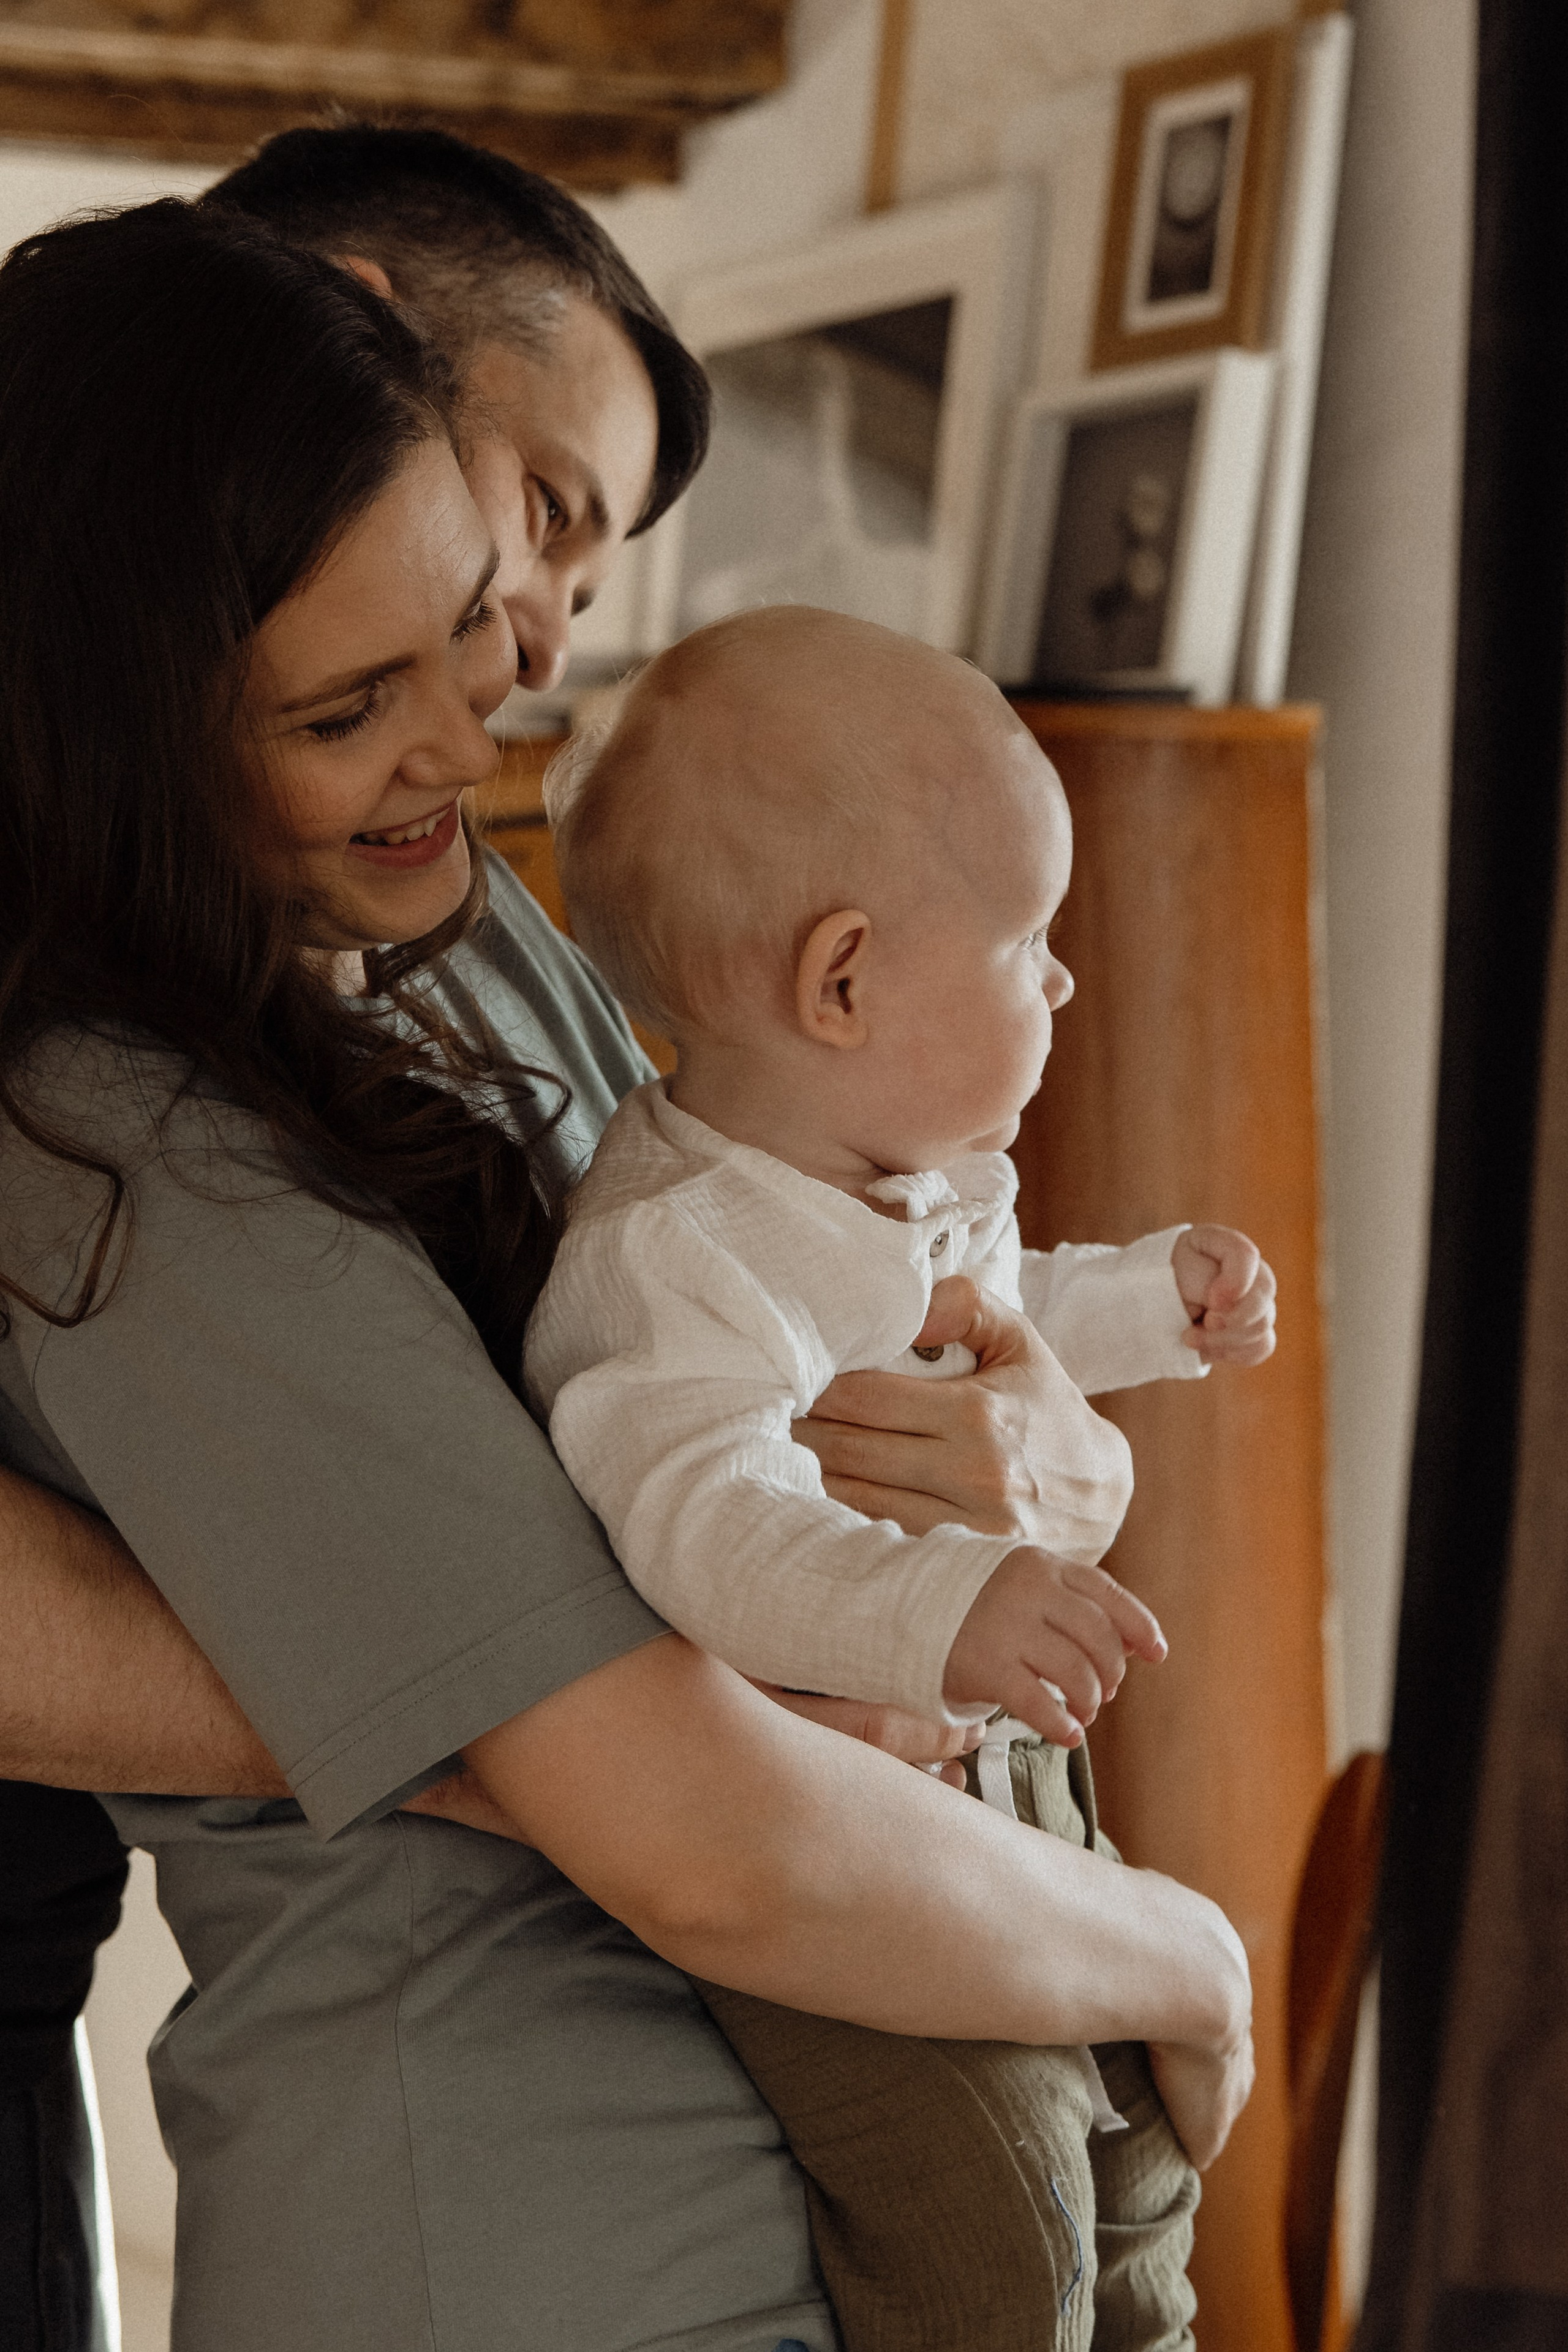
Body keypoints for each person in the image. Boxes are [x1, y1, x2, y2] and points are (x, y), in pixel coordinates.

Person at [0, 198, 1253, 2351]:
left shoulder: (453, 932)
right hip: (529, 2228)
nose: (479, 733)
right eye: (348, 706)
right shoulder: (125, 1149)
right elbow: (687, 1822)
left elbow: (823, 1316)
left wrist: (1034, 1418)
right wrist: (1179, 1959)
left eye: (474, 622)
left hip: (774, 2134)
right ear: (133, 723)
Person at [0, 120, 710, 2350]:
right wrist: (502, 1705)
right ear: (367, 347)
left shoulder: (396, 910)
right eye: (544, 517)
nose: (520, 644)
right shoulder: (102, 1103)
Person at [527, 608, 1277, 2351]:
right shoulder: (679, 1261)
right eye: (1030, 942)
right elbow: (708, 1528)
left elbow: (997, 1314)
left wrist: (1149, 1301)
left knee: (1142, 2142)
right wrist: (951, 1598)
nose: (1065, 981)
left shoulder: (900, 1171)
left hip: (1002, 1794)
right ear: (845, 981)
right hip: (839, 1856)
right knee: (998, 2218)